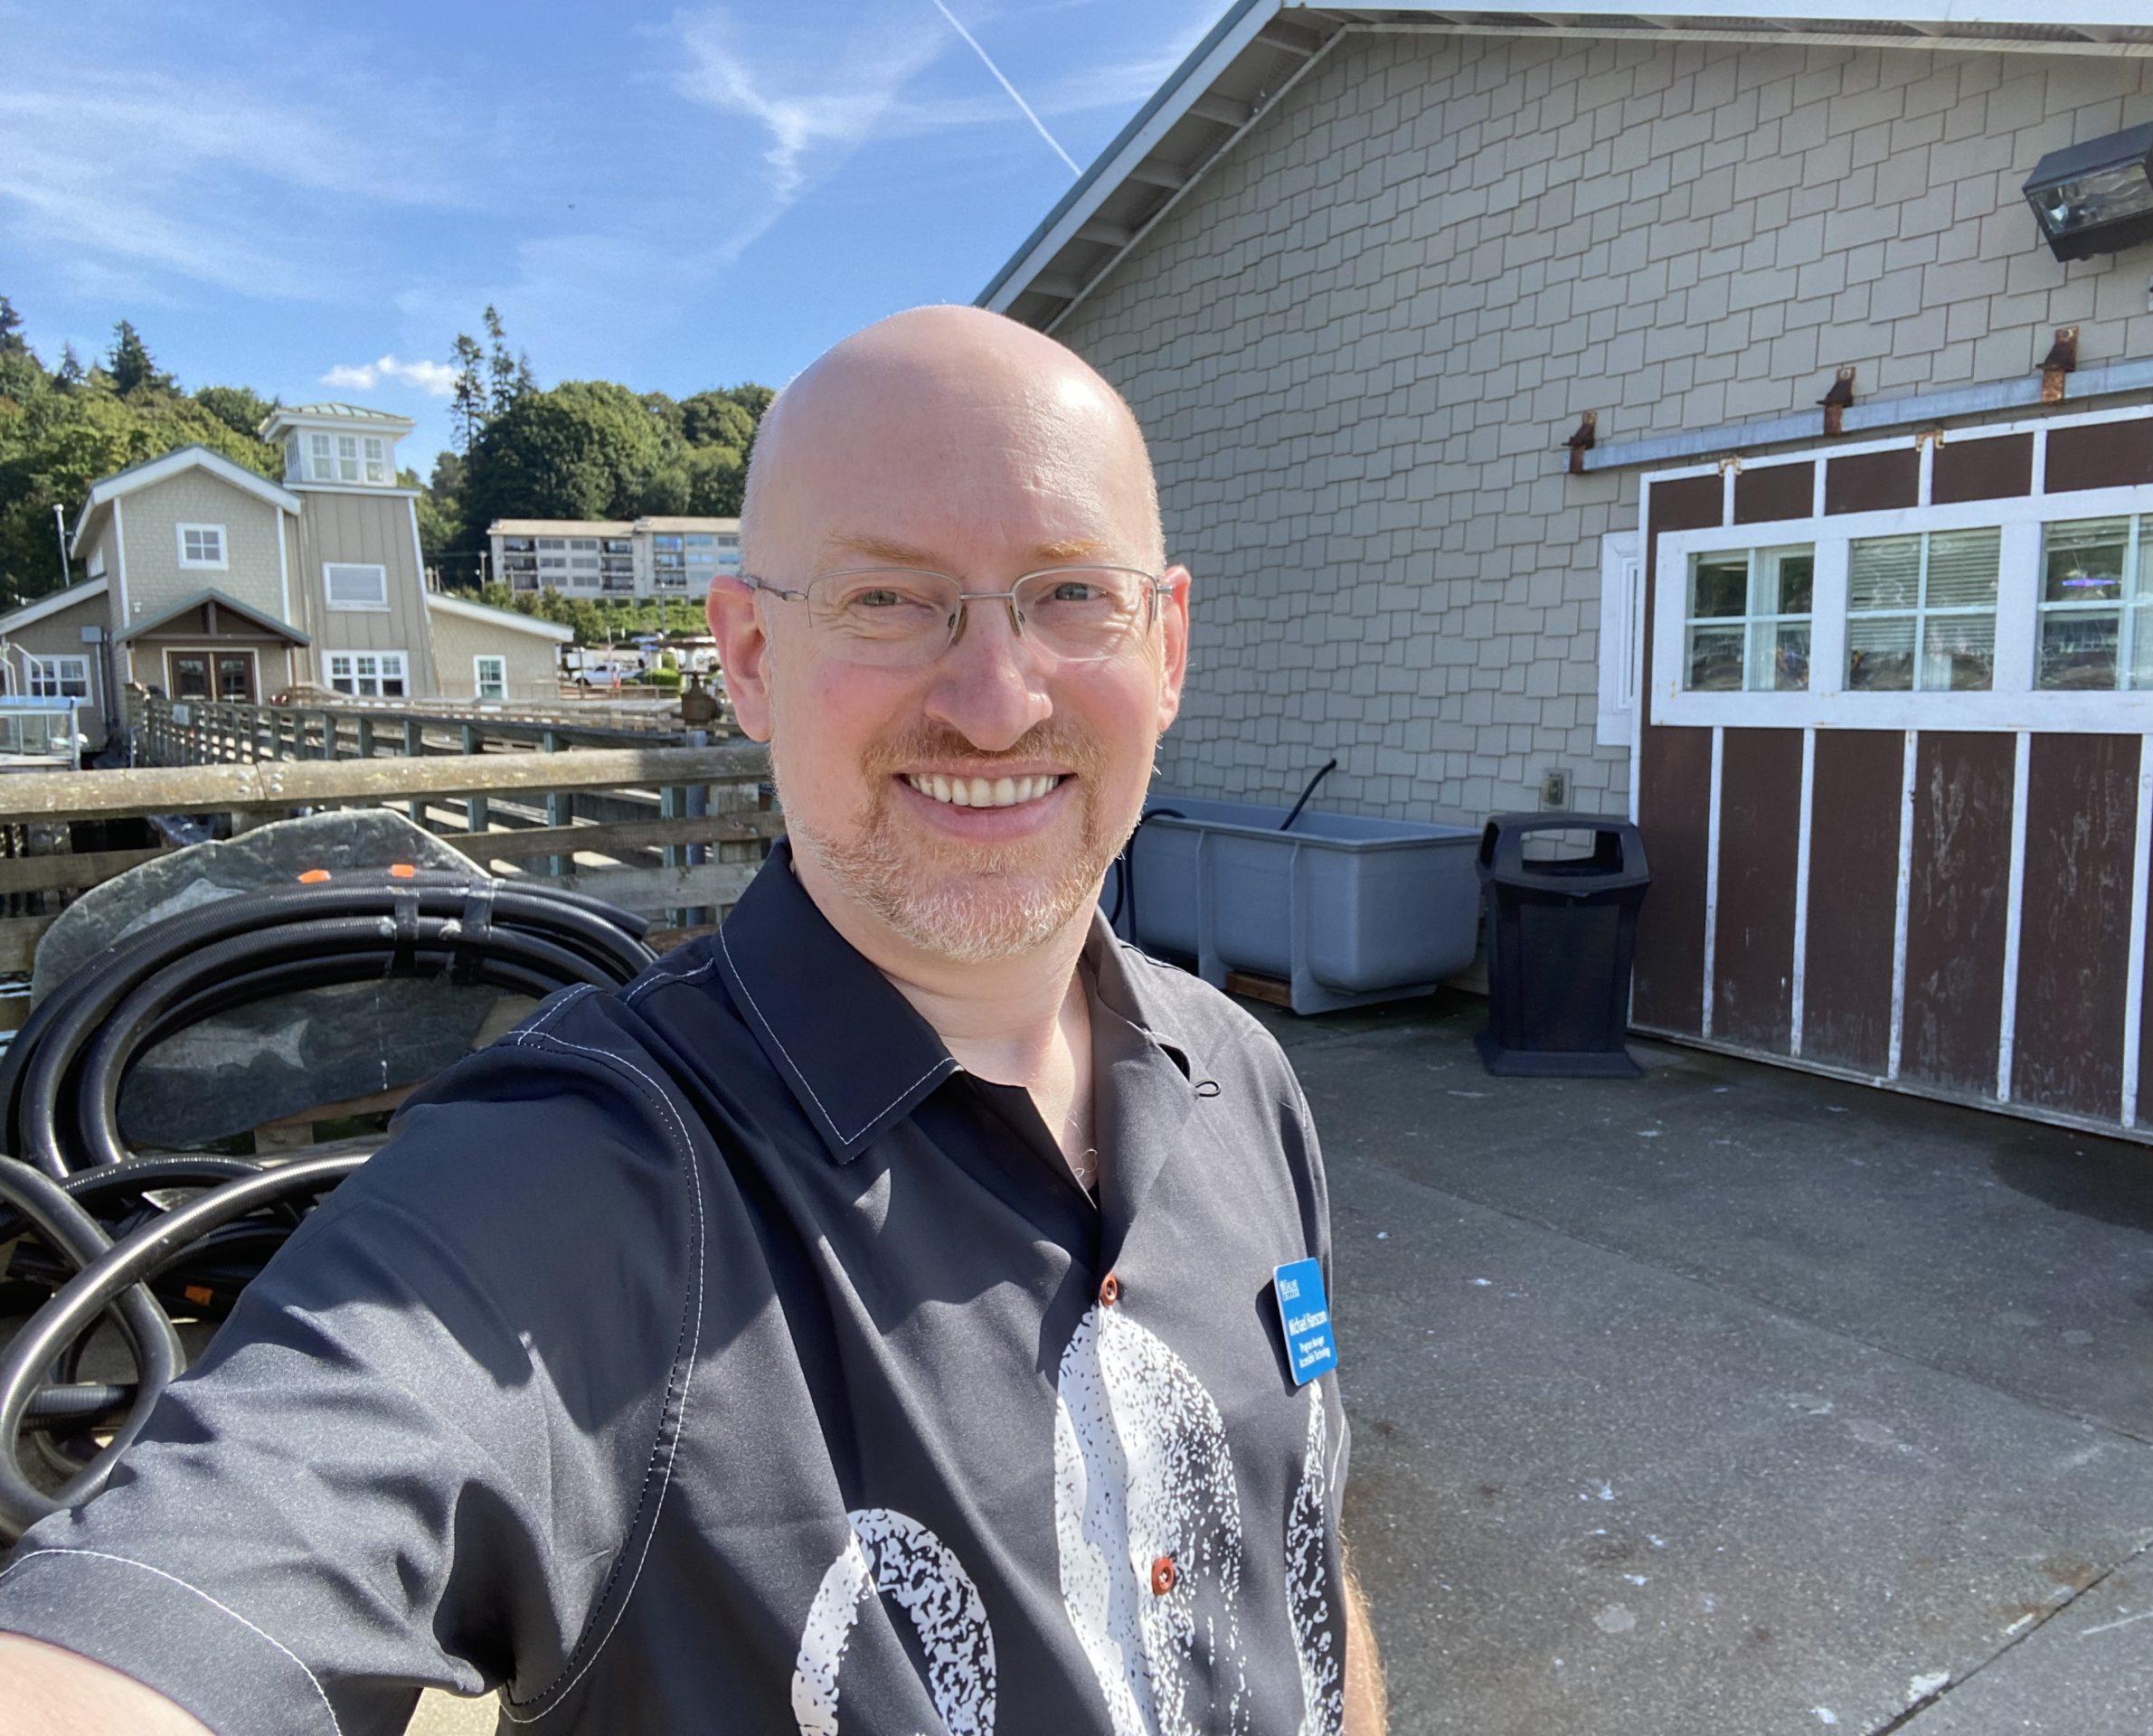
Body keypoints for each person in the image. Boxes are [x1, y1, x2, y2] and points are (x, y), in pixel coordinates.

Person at [0, 306, 1386, 1734]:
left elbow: (1306, 1552)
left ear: (1165, 645)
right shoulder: (581, 1193)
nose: (993, 701)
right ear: (748, 655)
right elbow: (194, 1588)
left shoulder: (1243, 1079)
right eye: (887, 599)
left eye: (1069, 594)